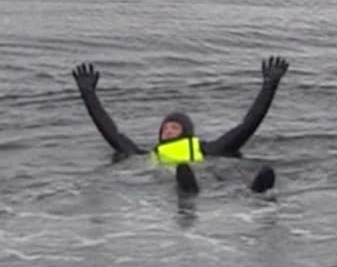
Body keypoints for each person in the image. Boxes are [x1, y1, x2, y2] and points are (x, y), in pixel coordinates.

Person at [70, 57, 291, 180]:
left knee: (228, 182)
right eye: (165, 127)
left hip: (210, 179)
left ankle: (258, 190)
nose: (167, 130)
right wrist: (88, 94)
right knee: (183, 186)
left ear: (186, 132)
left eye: (174, 127)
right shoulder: (146, 154)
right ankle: (186, 186)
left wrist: (269, 86)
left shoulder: (207, 150)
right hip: (177, 186)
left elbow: (247, 126)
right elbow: (111, 132)